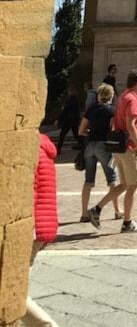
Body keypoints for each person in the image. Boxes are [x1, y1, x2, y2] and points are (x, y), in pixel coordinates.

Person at [24, 132, 60, 327]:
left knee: (13, 293)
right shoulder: (43, 147)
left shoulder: (27, 149)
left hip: (30, 230)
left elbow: (28, 194)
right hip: (41, 226)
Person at [78, 83, 124, 225]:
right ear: (112, 96)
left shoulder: (91, 109)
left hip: (90, 146)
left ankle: (84, 213)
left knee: (88, 181)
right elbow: (113, 129)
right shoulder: (112, 111)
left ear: (98, 95)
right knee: (112, 179)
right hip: (104, 146)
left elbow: (81, 130)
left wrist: (90, 133)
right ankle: (117, 210)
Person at [112, 69, 137, 232]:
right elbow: (131, 125)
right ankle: (127, 222)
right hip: (129, 147)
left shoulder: (121, 97)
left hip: (120, 146)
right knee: (132, 186)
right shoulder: (131, 100)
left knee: (126, 184)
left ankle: (97, 208)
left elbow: (114, 120)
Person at [55, 88, 82, 155]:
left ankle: (58, 149)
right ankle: (83, 145)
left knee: (62, 134)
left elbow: (65, 110)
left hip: (68, 119)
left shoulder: (69, 100)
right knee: (76, 134)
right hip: (74, 119)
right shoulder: (76, 100)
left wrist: (59, 118)